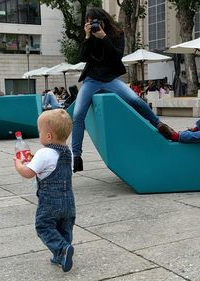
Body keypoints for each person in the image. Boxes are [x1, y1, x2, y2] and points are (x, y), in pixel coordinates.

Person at [72, 7, 171, 171]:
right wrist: (88, 37)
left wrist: (103, 37)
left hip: (110, 79)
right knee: (77, 114)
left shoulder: (117, 34)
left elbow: (115, 56)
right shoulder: (89, 37)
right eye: (89, 23)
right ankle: (76, 156)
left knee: (134, 99)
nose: (93, 25)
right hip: (91, 80)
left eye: (95, 22)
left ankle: (159, 125)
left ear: (103, 21)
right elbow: (82, 57)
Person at [13, 109, 75, 272]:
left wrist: (19, 165)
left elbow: (28, 173)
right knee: (65, 227)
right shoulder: (68, 153)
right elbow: (54, 168)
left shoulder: (43, 153)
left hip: (50, 203)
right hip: (69, 201)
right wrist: (37, 161)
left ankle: (61, 249)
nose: (38, 134)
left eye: (40, 131)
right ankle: (62, 253)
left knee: (43, 226)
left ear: (48, 136)